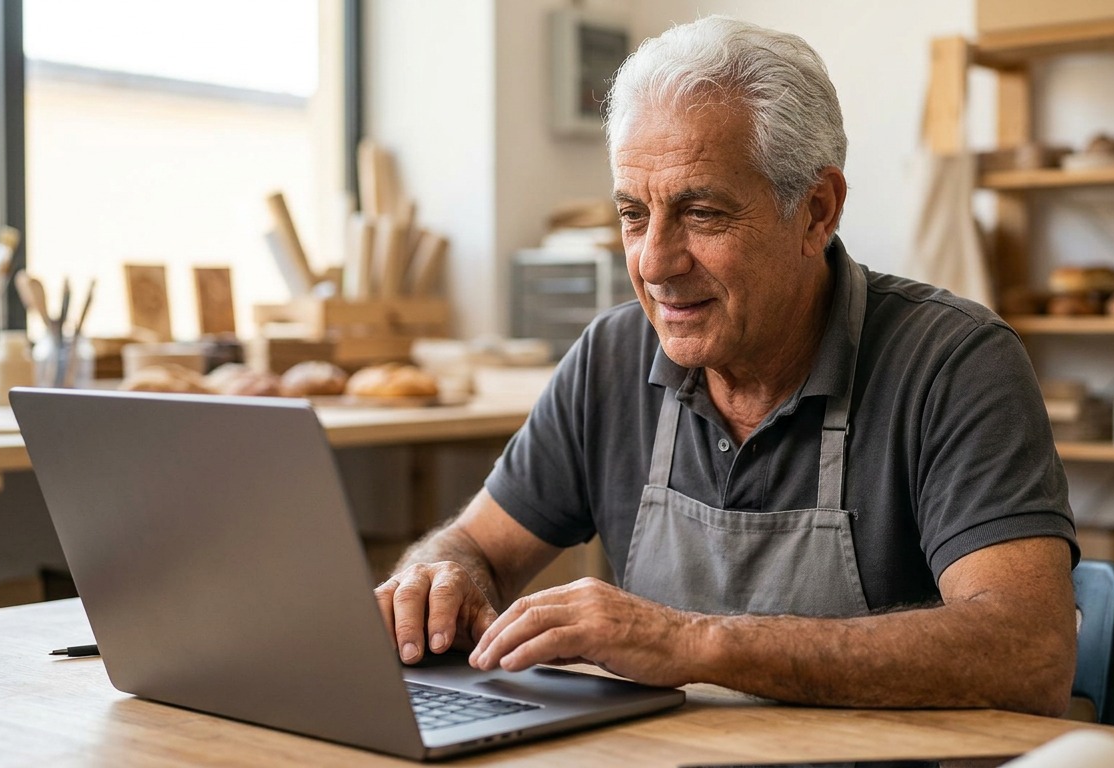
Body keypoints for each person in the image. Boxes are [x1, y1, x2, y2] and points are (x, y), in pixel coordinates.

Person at [375, 16, 1078, 716]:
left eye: (702, 213)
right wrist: (440, 574)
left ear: (816, 211)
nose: (654, 262)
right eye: (632, 214)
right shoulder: (612, 358)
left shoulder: (951, 363)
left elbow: (1027, 653)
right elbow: (476, 547)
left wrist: (697, 642)